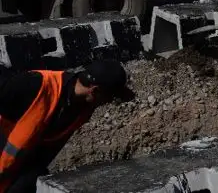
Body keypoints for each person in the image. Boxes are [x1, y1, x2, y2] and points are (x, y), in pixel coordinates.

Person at [0, 60, 135, 192]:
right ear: (94, 91)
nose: (109, 102)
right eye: (109, 97)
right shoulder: (34, 84)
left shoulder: (82, 110)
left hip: (19, 170)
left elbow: (46, 149)